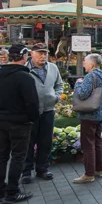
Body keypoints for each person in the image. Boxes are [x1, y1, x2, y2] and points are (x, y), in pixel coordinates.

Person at [0, 44, 40, 204]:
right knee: (18, 156)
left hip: (1, 121)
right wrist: (32, 118)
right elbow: (32, 103)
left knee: (1, 155)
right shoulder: (25, 77)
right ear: (24, 57)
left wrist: (0, 111)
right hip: (20, 122)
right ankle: (12, 192)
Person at [21, 43, 64, 184]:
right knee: (28, 142)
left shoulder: (53, 68)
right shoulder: (24, 69)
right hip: (29, 112)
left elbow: (59, 84)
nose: (43, 55)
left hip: (48, 110)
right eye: (39, 53)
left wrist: (56, 97)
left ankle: (42, 169)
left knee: (45, 142)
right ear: (31, 53)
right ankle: (26, 172)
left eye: (45, 53)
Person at [73, 54, 102, 184]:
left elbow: (83, 94)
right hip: (100, 114)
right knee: (98, 141)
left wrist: (78, 84)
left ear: (92, 65)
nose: (83, 64)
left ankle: (89, 174)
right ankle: (99, 170)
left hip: (89, 115)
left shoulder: (90, 76)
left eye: (85, 62)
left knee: (88, 144)